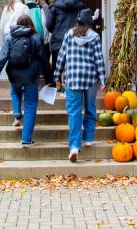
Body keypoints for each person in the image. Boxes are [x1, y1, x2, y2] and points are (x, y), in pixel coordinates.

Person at [53, 8, 106, 162]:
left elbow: (61, 56)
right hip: (90, 78)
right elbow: (98, 59)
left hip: (73, 78)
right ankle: (89, 137)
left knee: (74, 113)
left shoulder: (69, 35)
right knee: (90, 108)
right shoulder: (94, 37)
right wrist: (102, 78)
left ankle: (75, 146)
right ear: (89, 23)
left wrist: (57, 76)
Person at [0, 15, 51, 144]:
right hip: (31, 77)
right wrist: (49, 79)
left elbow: (2, 56)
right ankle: (26, 139)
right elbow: (44, 60)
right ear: (31, 24)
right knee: (30, 105)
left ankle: (17, 113)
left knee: (15, 91)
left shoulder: (9, 38)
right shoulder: (36, 38)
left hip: (14, 75)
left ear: (17, 24)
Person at [46, 0, 86, 73]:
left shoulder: (54, 5)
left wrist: (56, 31)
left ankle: (59, 86)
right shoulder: (80, 5)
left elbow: (48, 24)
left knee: (58, 71)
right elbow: (85, 22)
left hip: (58, 41)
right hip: (77, 40)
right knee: (75, 69)